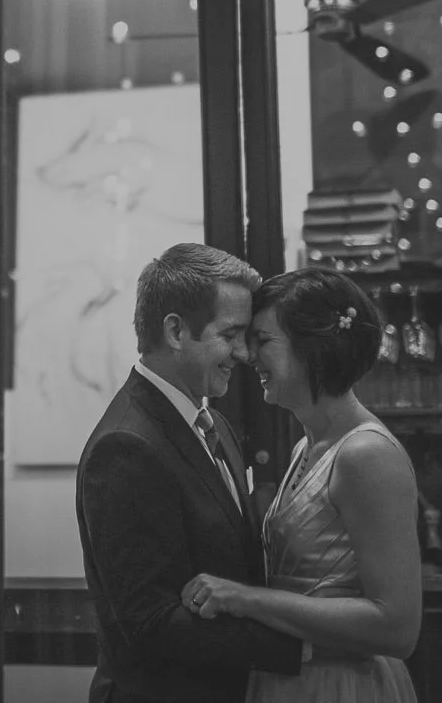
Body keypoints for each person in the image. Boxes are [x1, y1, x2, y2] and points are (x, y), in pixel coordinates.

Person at [180, 267, 422, 703]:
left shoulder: (365, 455)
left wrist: (247, 600)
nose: (248, 356)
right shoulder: (304, 447)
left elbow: (397, 627)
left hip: (342, 685)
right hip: (289, 676)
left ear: (314, 349)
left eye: (264, 341)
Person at [76, 243, 304, 702]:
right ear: (176, 331)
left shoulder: (212, 423)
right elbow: (152, 623)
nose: (243, 353)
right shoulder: (125, 446)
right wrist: (306, 645)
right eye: (230, 335)